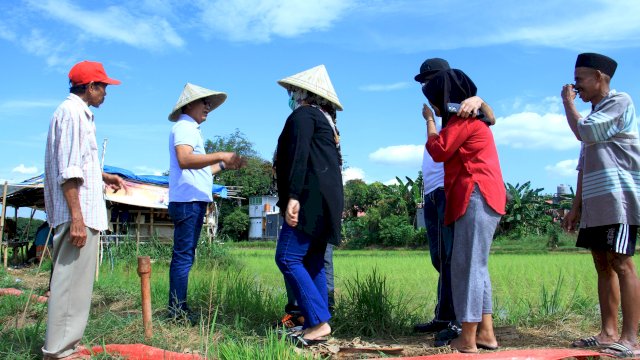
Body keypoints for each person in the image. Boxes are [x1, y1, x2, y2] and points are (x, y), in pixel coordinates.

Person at [43, 60, 126, 360]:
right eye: (103, 87)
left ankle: (67, 345)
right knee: (68, 285)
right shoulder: (72, 114)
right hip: (77, 214)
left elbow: (80, 162)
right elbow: (69, 171)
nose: (106, 92)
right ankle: (59, 352)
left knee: (76, 286)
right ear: (90, 87)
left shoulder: (78, 114)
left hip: (82, 212)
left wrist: (103, 176)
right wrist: (77, 219)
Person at [561, 53, 640, 358]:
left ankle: (631, 340)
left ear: (599, 77)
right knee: (602, 264)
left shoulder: (619, 102)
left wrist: (567, 103)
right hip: (596, 201)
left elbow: (586, 132)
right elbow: (584, 165)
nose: (575, 86)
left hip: (618, 199)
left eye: (579, 79)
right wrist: (576, 206)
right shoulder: (594, 113)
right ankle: (608, 333)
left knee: (621, 263)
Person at [413, 58, 496, 338]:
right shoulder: (458, 118)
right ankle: (478, 331)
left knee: (464, 263)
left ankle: (465, 331)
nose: (427, 87)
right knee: (457, 261)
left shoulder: (465, 116)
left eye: (431, 82)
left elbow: (439, 150)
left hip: (468, 193)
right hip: (454, 191)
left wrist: (430, 123)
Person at [274, 64, 344, 347]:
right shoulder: (326, 121)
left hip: (309, 198)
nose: (291, 95)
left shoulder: (303, 115)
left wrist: (293, 196)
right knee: (313, 262)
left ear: (304, 92)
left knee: (287, 257)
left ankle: (318, 322)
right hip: (326, 200)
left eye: (293, 90)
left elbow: (299, 156)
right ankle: (318, 322)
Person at [167, 83, 245, 321]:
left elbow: (200, 170)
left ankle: (177, 307)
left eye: (209, 104)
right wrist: (221, 154)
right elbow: (184, 159)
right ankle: (177, 311)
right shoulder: (184, 127)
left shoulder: (191, 129)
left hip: (191, 201)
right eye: (204, 103)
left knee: (186, 255)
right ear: (189, 104)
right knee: (183, 256)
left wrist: (223, 165)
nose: (208, 108)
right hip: (188, 202)